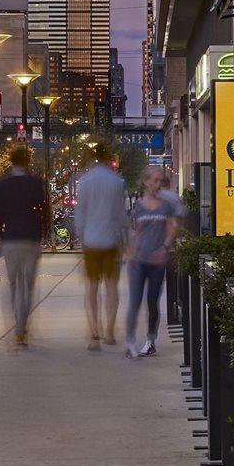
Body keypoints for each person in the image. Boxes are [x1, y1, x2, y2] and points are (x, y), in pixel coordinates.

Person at [0, 144, 49, 348]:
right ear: (27, 162)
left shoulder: (1, 185)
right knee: (28, 285)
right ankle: (22, 327)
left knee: (14, 284)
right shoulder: (35, 184)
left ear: (11, 162)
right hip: (30, 238)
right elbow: (43, 209)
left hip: (10, 238)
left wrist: (2, 228)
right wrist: (43, 233)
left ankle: (18, 325)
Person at [73, 140, 127, 351]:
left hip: (91, 240)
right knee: (112, 287)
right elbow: (121, 214)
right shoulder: (116, 182)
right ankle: (110, 331)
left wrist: (81, 236)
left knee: (91, 289)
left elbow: (80, 214)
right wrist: (125, 237)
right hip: (111, 240)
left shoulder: (84, 181)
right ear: (108, 159)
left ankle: (94, 332)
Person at [125, 166, 182, 358]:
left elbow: (172, 228)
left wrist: (164, 248)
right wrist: (131, 252)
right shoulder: (139, 205)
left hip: (157, 260)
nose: (157, 185)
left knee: (152, 301)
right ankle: (130, 341)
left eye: (160, 181)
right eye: (154, 181)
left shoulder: (167, 206)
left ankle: (150, 340)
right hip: (139, 259)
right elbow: (136, 231)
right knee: (134, 301)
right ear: (146, 182)